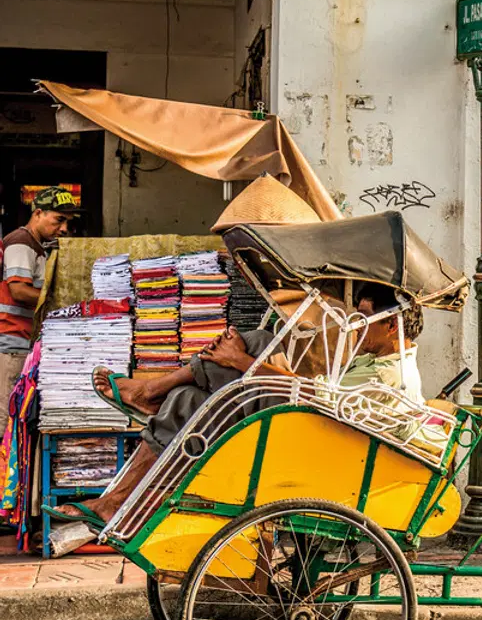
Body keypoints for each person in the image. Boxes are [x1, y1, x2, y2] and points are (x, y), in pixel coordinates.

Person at [45, 283, 424, 532]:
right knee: (188, 401)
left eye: (363, 319)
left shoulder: (389, 377)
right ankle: (115, 501)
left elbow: (316, 400)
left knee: (252, 346)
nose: (355, 329)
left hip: (313, 442)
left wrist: (242, 362)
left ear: (391, 327)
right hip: (309, 424)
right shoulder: (369, 362)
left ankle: (150, 392)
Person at [0, 187, 80, 396]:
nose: (63, 228)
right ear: (38, 214)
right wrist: (62, 302)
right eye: (58, 220)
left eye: (68, 223)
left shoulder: (36, 246)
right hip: (11, 343)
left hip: (20, 341)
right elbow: (18, 291)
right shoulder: (21, 242)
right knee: (6, 414)